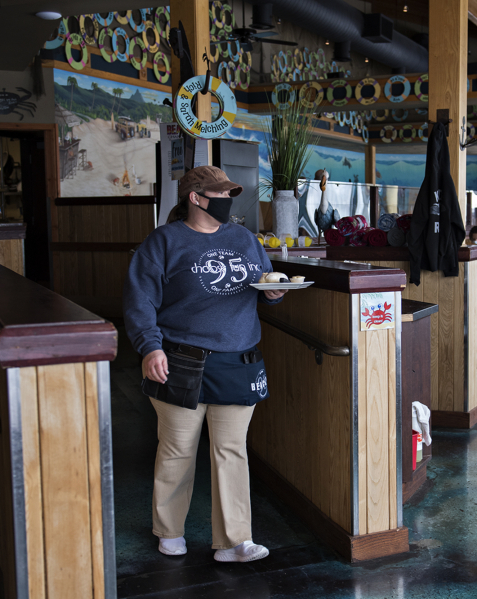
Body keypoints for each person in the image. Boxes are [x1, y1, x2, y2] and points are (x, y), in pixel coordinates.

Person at [123, 166, 287, 563]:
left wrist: (275, 291)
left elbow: (262, 283)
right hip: (180, 360)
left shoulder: (245, 238)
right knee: (177, 449)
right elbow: (139, 300)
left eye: (230, 193)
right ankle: (169, 530)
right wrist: (150, 348)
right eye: (219, 194)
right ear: (195, 198)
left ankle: (234, 541)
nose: (227, 200)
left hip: (238, 361)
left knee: (231, 450)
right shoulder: (164, 241)